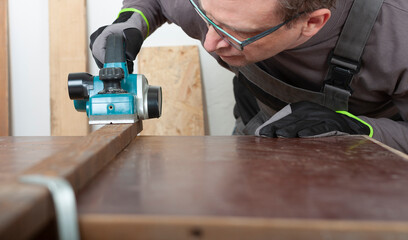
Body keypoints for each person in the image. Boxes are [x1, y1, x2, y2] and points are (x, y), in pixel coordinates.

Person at [90, 0, 408, 153]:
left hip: (368, 154)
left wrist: (355, 128)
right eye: (207, 16)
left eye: (238, 33)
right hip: (256, 123)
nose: (210, 43)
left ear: (312, 23)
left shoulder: (398, 32)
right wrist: (131, 21)